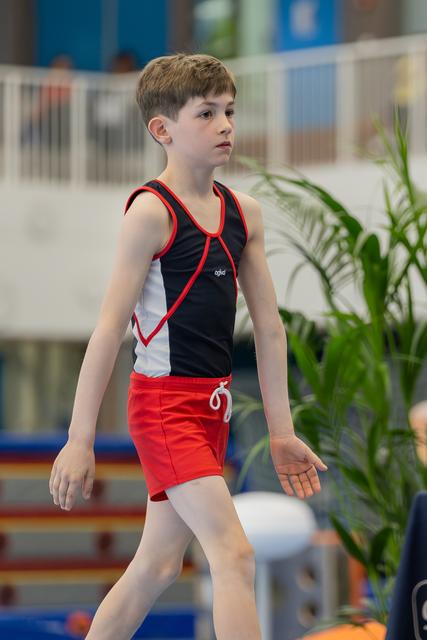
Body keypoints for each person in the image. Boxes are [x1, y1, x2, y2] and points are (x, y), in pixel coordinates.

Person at [49, 53, 328, 640]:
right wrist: (79, 440)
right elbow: (108, 330)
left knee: (155, 566)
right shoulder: (151, 212)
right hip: (164, 409)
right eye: (207, 113)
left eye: (229, 110)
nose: (226, 124)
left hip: (214, 410)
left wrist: (280, 431)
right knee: (234, 554)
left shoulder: (242, 214)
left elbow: (270, 328)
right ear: (163, 130)